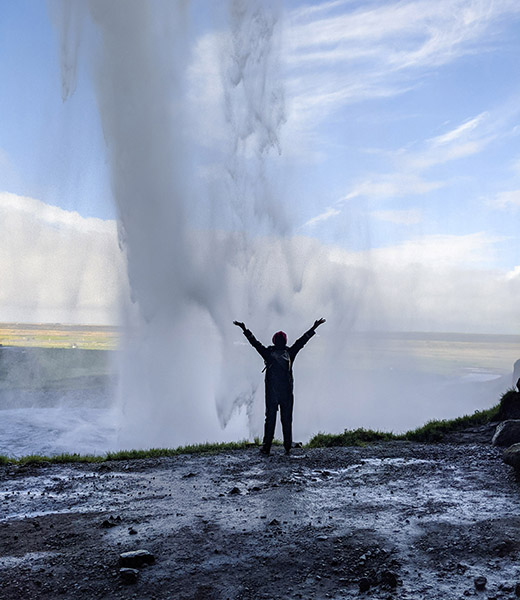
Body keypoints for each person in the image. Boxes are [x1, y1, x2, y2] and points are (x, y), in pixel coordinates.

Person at [233, 318, 326, 455]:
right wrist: (313, 328)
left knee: (270, 419)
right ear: (285, 341)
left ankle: (266, 447)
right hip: (287, 393)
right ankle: (287, 446)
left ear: (274, 341)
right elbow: (301, 342)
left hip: (272, 393)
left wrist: (244, 329)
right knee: (287, 419)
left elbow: (255, 344)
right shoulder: (290, 353)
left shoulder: (268, 354)